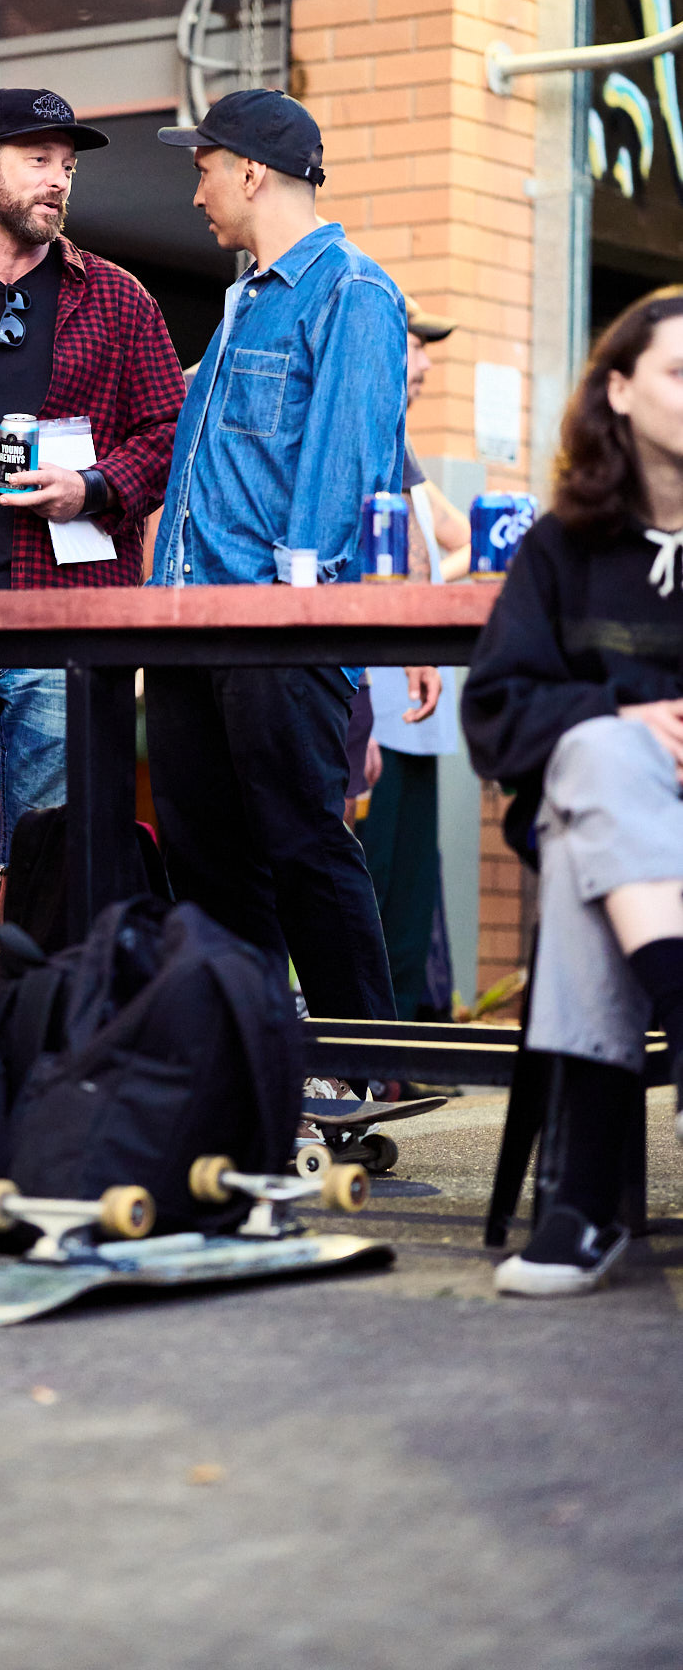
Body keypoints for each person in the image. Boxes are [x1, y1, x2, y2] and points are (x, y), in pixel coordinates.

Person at [0, 87, 185, 925]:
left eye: (67, 165)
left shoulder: (118, 299)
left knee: (52, 862)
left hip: (66, 621)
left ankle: (25, 1001)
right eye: (38, 160)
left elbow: (171, 431)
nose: (58, 179)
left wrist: (94, 487)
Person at [144, 88, 407, 1020]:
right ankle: (249, 1053)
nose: (195, 194)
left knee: (301, 846)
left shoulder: (352, 293)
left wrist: (296, 617)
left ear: (251, 172)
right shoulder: (241, 305)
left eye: (204, 171)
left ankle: (360, 1065)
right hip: (186, 627)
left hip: (275, 628)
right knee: (206, 860)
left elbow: (344, 469)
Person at [464, 287, 683, 1297]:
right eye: (679, 372)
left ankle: (583, 1200)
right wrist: (629, 715)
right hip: (611, 812)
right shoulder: (563, 546)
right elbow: (495, 716)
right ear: (620, 391)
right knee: (595, 763)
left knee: (582, 843)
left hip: (604, 840)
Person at [360, 301, 471, 1019]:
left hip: (420, 710)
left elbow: (465, 543)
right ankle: (364, 1041)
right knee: (366, 886)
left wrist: (431, 592)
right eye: (414, 346)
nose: (426, 363)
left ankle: (399, 1047)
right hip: (371, 705)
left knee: (409, 894)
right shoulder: (357, 436)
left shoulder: (408, 459)